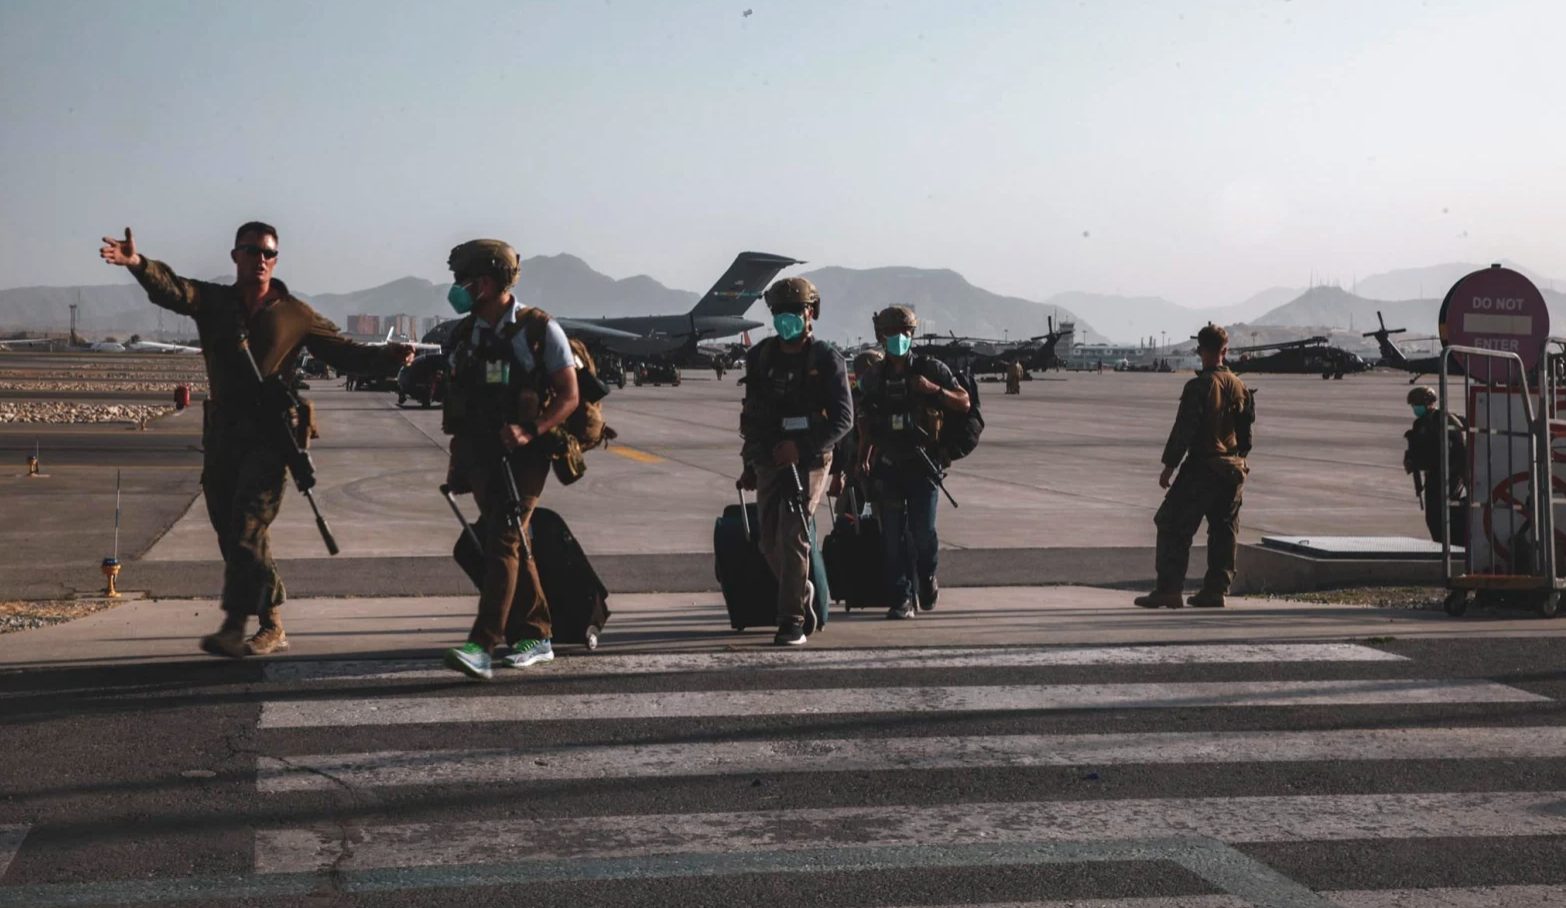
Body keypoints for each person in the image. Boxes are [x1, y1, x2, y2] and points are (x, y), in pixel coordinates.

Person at [99, 224, 414, 657]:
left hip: (270, 436)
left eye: (269, 253)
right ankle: (271, 618)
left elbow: (344, 352)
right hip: (224, 434)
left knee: (249, 527)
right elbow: (173, 290)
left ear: (276, 260)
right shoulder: (214, 303)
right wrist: (137, 263)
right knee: (231, 532)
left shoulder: (295, 314)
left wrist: (387, 357)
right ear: (236, 256)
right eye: (252, 251)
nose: (261, 258)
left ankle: (244, 625)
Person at [439, 240, 580, 680]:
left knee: (502, 538)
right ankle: (537, 636)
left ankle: (482, 645)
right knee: (515, 542)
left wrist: (530, 429)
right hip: (481, 455)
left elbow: (570, 396)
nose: (458, 290)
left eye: (464, 281)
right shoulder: (466, 334)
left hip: (526, 454)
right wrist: (458, 463)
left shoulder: (538, 329)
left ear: (486, 282)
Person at [738, 277, 853, 646]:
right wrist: (749, 463)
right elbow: (752, 417)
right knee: (768, 542)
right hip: (770, 457)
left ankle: (791, 620)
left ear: (811, 313)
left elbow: (843, 419)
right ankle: (804, 600)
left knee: (794, 534)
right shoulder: (761, 358)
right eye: (780, 312)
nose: (787, 318)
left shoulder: (827, 359)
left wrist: (800, 449)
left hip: (812, 458)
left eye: (795, 311)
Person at [858, 306, 970, 619]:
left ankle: (926, 576)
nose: (899, 339)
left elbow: (964, 401)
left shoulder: (931, 369)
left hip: (924, 465)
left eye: (904, 333)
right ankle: (901, 598)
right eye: (892, 334)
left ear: (912, 334)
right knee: (892, 537)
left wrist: (932, 390)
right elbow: (864, 421)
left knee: (924, 533)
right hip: (890, 465)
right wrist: (862, 458)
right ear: (882, 337)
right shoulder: (873, 378)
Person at [1135, 323, 1254, 609]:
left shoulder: (1199, 386)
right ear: (1225, 351)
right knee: (1224, 530)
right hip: (1233, 469)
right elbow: (1246, 438)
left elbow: (1184, 430)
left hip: (1203, 467)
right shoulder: (1241, 387)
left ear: (1200, 350)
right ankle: (1216, 589)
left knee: (1172, 524)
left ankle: (1169, 589)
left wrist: (1169, 466)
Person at [1403, 386, 1467, 545]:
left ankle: (1452, 545)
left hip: (1448, 474)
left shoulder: (1443, 418)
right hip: (1433, 475)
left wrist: (1458, 471)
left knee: (1443, 514)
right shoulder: (1420, 424)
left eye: (1416, 404)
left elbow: (1458, 445)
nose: (1415, 408)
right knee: (1433, 516)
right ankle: (1441, 544)